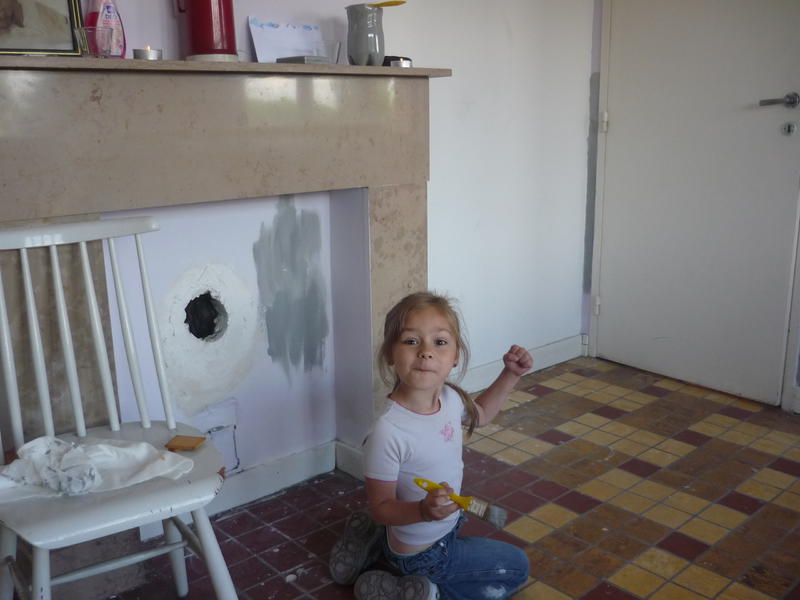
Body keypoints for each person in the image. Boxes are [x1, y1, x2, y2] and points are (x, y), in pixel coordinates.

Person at [329, 291, 532, 600]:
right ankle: (418, 591)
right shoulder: (388, 432)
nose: (425, 352)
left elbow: (481, 414)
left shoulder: (450, 398)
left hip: (439, 528)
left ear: (455, 356)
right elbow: (381, 509)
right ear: (390, 354)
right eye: (411, 341)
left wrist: (511, 374)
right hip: (422, 553)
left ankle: (370, 543)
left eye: (439, 342)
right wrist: (423, 511)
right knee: (518, 567)